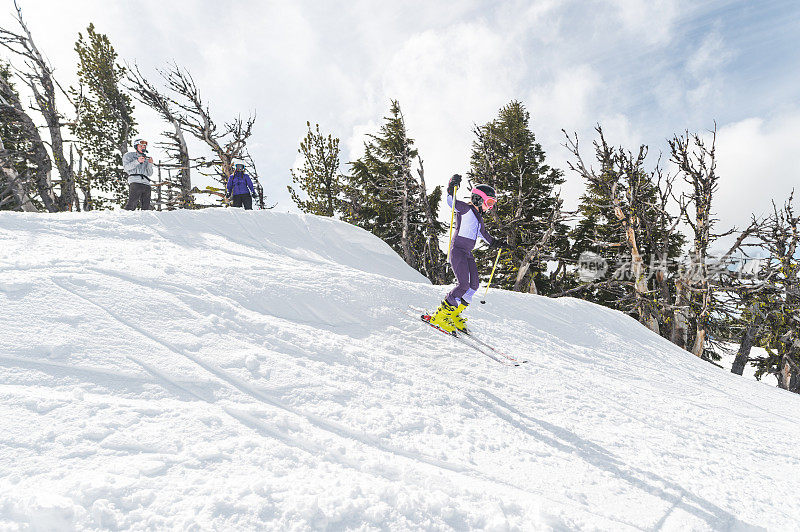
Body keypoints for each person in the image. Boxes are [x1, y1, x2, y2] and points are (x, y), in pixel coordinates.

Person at [426, 174, 507, 333]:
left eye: (492, 204)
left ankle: (454, 314)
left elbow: (485, 236)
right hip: (458, 251)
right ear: (478, 199)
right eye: (489, 203)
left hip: (467, 253)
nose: (490, 207)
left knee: (474, 286)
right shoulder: (466, 209)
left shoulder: (479, 219)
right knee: (463, 284)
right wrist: (451, 187)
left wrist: (497, 243)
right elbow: (451, 202)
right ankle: (440, 316)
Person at [122, 139, 155, 210]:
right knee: (132, 204)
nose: (143, 147)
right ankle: (126, 218)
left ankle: (145, 220)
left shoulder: (147, 158)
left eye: (144, 146)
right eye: (141, 145)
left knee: (146, 206)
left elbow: (150, 173)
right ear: (136, 146)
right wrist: (137, 161)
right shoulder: (129, 155)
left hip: (146, 183)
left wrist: (150, 164)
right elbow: (126, 168)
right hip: (135, 182)